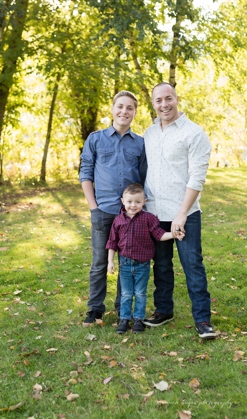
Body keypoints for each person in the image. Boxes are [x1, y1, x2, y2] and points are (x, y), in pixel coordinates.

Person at [142, 82, 216, 340]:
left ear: (176, 99)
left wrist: (182, 213)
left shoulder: (194, 133)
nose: (164, 104)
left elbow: (197, 177)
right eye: (159, 100)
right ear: (153, 104)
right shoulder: (149, 134)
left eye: (168, 98)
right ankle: (164, 310)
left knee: (192, 264)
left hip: (184, 213)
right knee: (160, 265)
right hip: (154, 211)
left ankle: (203, 319)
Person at [78, 91, 147, 326]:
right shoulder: (95, 139)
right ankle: (95, 309)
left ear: (135, 112)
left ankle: (122, 308)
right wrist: (93, 208)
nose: (124, 112)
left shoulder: (140, 143)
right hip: (104, 211)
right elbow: (85, 173)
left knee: (127, 262)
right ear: (112, 109)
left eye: (130, 108)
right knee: (99, 263)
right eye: (120, 106)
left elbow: (144, 177)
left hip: (131, 214)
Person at [106, 183, 180, 334]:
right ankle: (124, 319)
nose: (133, 205)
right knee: (126, 293)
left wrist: (173, 234)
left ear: (144, 202)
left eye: (138, 202)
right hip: (125, 263)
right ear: (123, 201)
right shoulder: (118, 220)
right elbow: (112, 242)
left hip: (142, 264)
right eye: (130, 202)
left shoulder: (148, 219)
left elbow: (159, 235)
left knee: (140, 293)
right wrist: (110, 261)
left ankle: (138, 319)